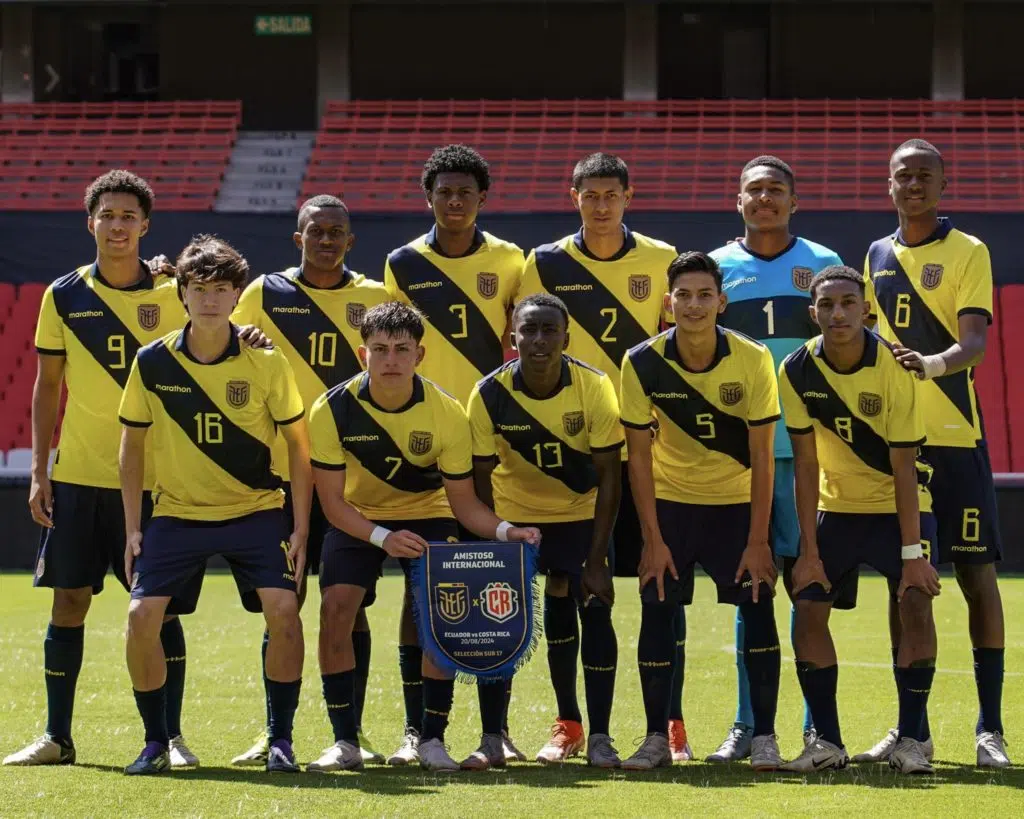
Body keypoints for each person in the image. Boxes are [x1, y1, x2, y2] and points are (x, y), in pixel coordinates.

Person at [5, 171, 206, 768]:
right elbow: (46, 390)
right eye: (107, 215)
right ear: (89, 221)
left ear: (146, 226)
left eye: (128, 217)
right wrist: (41, 473)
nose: (117, 226)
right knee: (68, 602)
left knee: (158, 607)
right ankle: (56, 737)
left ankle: (169, 738)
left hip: (154, 482)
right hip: (79, 476)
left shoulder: (177, 293)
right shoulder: (62, 295)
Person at [305, 301, 540, 773]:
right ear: (361, 353)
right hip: (359, 519)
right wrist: (381, 537)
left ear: (420, 354)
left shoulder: (447, 413)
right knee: (335, 608)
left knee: (437, 613)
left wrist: (504, 530)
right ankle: (345, 742)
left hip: (430, 517)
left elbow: (464, 505)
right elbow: (332, 505)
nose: (390, 359)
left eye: (401, 349)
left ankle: (428, 738)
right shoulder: (330, 409)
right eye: (379, 349)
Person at [518, 152, 692, 761]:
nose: (600, 204)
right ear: (573, 197)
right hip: (572, 453)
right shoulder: (541, 263)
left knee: (660, 583)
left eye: (610, 193)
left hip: (648, 449)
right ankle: (569, 723)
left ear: (628, 196)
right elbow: (521, 341)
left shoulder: (660, 258)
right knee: (567, 585)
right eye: (589, 194)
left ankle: (670, 722)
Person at [118, 235, 311, 774]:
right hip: (178, 514)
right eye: (199, 289)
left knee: (285, 611)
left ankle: (281, 740)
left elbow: (299, 448)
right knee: (140, 616)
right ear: (182, 293)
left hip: (255, 511)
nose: (210, 299)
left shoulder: (265, 361)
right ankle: (156, 743)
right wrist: (134, 527)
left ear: (235, 297)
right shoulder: (151, 362)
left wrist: (299, 527)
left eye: (222, 289)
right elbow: (130, 449)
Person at [860, 139, 1009, 769]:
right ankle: (910, 731)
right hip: (900, 447)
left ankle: (990, 730)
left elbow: (973, 343)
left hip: (957, 442)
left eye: (924, 176)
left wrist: (933, 363)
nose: (912, 185)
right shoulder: (874, 255)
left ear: (943, 185)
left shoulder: (968, 250)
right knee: (907, 584)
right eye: (903, 176)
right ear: (888, 185)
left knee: (977, 578)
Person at [228, 194, 390, 767]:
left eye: (336, 232)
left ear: (351, 240)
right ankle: (279, 732)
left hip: (350, 479)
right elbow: (224, 355)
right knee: (284, 601)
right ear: (297, 239)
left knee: (350, 602)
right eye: (315, 231)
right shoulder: (262, 294)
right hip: (280, 476)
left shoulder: (373, 298)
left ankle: (351, 731)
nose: (326, 240)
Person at [383, 144, 528, 765]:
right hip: (424, 444)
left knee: (498, 586)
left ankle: (494, 732)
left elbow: (518, 339)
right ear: (429, 198)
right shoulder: (402, 262)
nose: (454, 201)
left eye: (465, 192)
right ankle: (419, 730)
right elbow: (391, 337)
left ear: (482, 199)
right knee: (421, 597)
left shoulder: (510, 261)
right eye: (443, 192)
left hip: (490, 447)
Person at [619, 251, 783, 772]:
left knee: (758, 609)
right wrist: (652, 538)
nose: (693, 305)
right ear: (668, 304)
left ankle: (765, 737)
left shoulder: (754, 358)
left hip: (735, 507)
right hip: (669, 507)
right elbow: (638, 459)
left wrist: (759, 541)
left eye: (704, 295)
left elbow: (762, 456)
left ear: (722, 301)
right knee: (659, 610)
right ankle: (654, 738)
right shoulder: (640, 361)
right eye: (683, 296)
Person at [708, 155, 845, 762]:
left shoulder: (821, 264)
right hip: (740, 454)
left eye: (776, 191)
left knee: (808, 586)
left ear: (794, 201)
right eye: (754, 190)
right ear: (738, 200)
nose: (765, 199)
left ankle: (818, 729)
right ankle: (749, 724)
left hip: (809, 449)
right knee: (752, 586)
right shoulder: (715, 269)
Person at [779, 265, 941, 775]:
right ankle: (826, 742)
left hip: (901, 512)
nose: (838, 313)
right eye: (827, 305)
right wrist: (808, 550)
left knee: (915, 605)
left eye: (848, 302)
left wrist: (913, 556)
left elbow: (901, 465)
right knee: (807, 610)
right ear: (813, 313)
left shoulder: (894, 366)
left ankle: (913, 741)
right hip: (837, 510)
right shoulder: (797, 369)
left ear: (866, 308)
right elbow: (805, 464)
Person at [466, 293, 624, 769]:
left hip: (579, 518)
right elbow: (478, 480)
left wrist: (596, 560)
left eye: (548, 330)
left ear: (566, 338)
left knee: (592, 607)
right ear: (512, 337)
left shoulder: (593, 386)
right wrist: (496, 541)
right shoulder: (489, 393)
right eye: (528, 330)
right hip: (515, 524)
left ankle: (595, 736)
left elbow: (610, 478)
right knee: (497, 621)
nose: (538, 340)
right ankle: (493, 738)